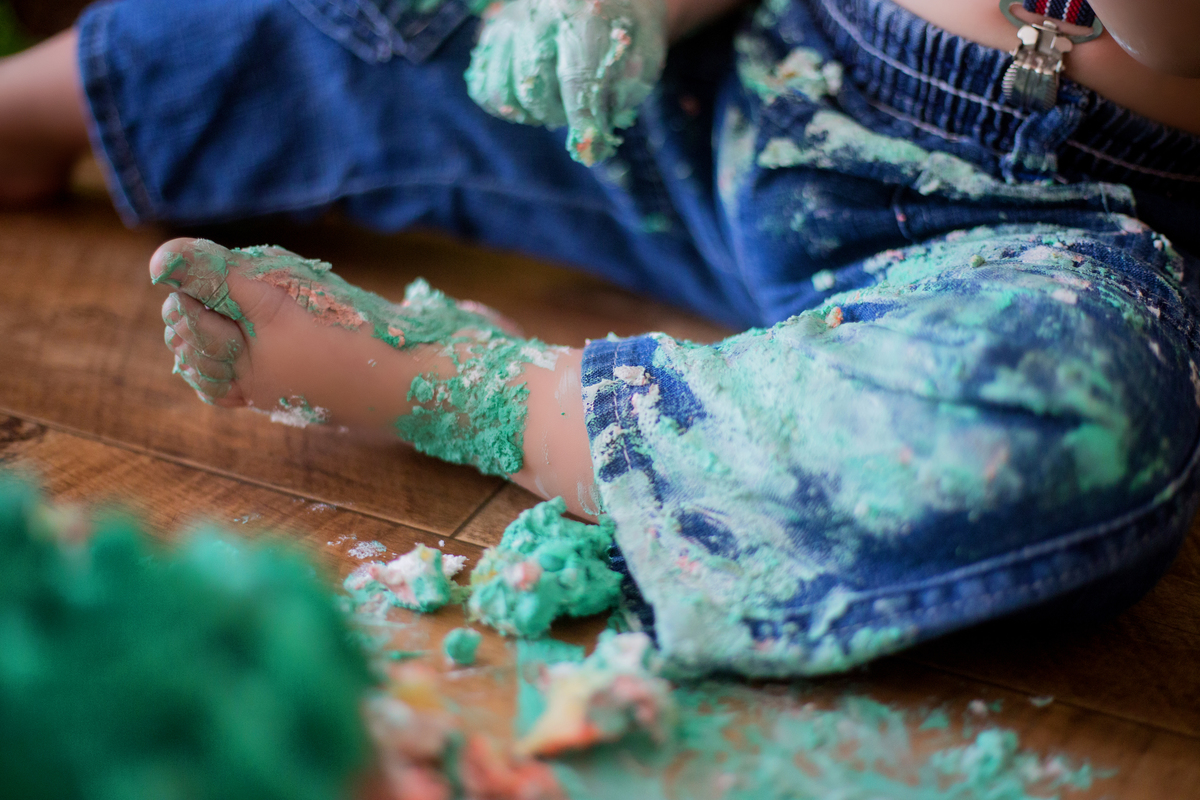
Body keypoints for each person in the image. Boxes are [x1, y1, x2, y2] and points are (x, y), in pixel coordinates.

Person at [2, 0, 1199, 678]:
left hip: (1050, 233)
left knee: (1077, 426)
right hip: (732, 64)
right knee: (404, 22)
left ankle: (473, 389)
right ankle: (44, 102)